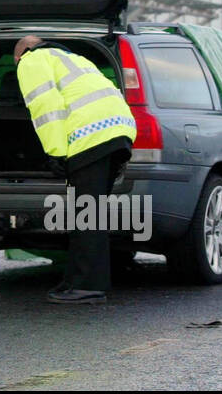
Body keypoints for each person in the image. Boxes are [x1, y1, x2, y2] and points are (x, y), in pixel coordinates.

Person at [13, 35, 136, 304]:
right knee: (91, 213)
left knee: (87, 215)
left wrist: (56, 152)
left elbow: (46, 107)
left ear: (20, 54)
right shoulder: (74, 59)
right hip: (119, 131)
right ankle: (78, 281)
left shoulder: (31, 61)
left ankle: (87, 286)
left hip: (91, 136)